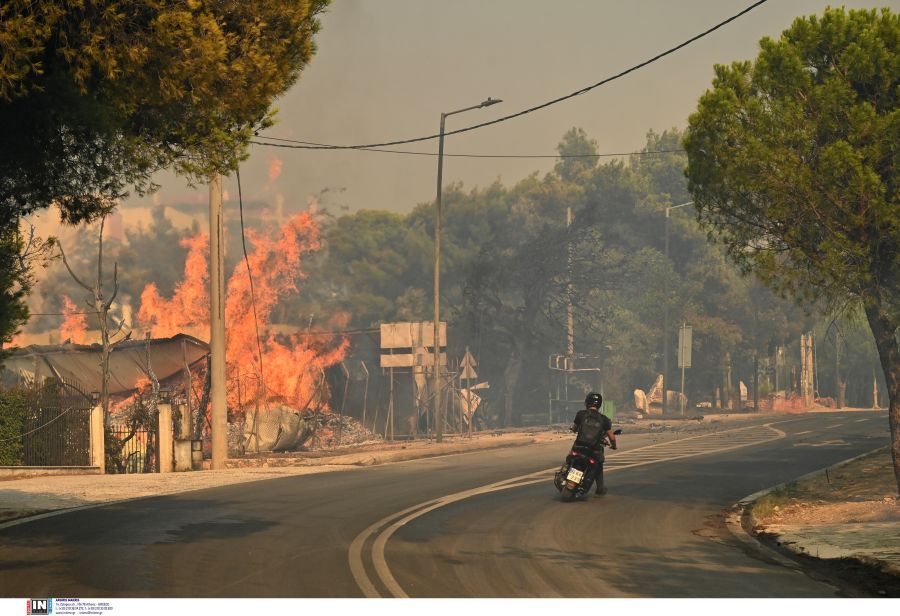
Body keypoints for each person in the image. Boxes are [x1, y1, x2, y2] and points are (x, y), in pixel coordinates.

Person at [571, 392, 617, 495]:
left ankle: (566, 472)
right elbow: (611, 437)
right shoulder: (604, 419)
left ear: (587, 402)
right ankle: (600, 488)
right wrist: (614, 446)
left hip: (579, 446)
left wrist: (574, 430)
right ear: (599, 405)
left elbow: (574, 428)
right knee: (598, 465)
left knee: (571, 456)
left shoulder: (580, 414)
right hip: (594, 450)